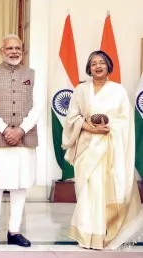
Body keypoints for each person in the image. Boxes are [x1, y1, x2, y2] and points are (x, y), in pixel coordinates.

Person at [62, 50, 143, 250]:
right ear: (88, 69)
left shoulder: (118, 90)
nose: (97, 66)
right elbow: (72, 117)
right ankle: (86, 234)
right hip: (86, 147)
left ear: (108, 66)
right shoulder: (80, 90)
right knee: (88, 191)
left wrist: (109, 129)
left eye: (102, 63)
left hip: (110, 148)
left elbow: (125, 120)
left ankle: (104, 234)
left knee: (103, 190)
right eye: (93, 63)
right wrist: (91, 128)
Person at [0, 34, 43, 247]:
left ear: (23, 51)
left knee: (20, 185)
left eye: (18, 48)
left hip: (25, 137)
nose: (14, 52)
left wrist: (21, 129)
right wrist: (5, 129)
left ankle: (14, 231)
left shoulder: (32, 74)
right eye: (9, 48)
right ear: (1, 51)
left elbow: (38, 105)